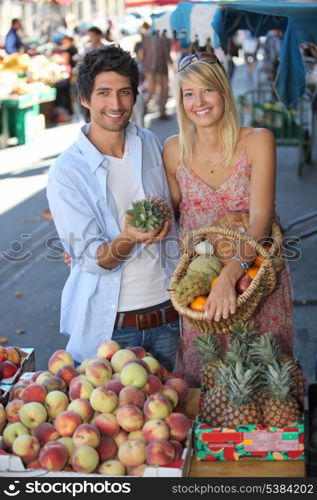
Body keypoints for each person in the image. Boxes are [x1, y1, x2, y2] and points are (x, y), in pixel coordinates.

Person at [163, 52, 294, 386]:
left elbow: (261, 218)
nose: (198, 102)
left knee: (263, 387)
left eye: (207, 90)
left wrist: (230, 274)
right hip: (201, 293)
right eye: (188, 94)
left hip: (256, 283)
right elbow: (168, 212)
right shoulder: (174, 150)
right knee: (209, 385)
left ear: (223, 91)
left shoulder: (257, 141)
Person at [46, 45, 180, 369]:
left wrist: (167, 216)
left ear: (135, 95)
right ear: (84, 99)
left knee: (173, 411)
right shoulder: (67, 173)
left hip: (169, 317)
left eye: (124, 92)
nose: (116, 104)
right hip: (113, 328)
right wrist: (129, 237)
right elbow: (93, 259)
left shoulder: (148, 143)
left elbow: (173, 210)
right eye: (103, 92)